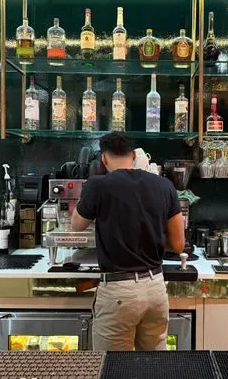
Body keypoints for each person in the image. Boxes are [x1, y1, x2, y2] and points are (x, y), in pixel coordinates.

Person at [71, 132, 185, 351]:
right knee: (155, 364)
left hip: (119, 291)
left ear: (104, 158)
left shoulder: (98, 185)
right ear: (133, 155)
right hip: (155, 288)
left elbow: (77, 225)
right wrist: (151, 235)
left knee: (113, 365)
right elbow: (178, 244)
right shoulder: (164, 185)